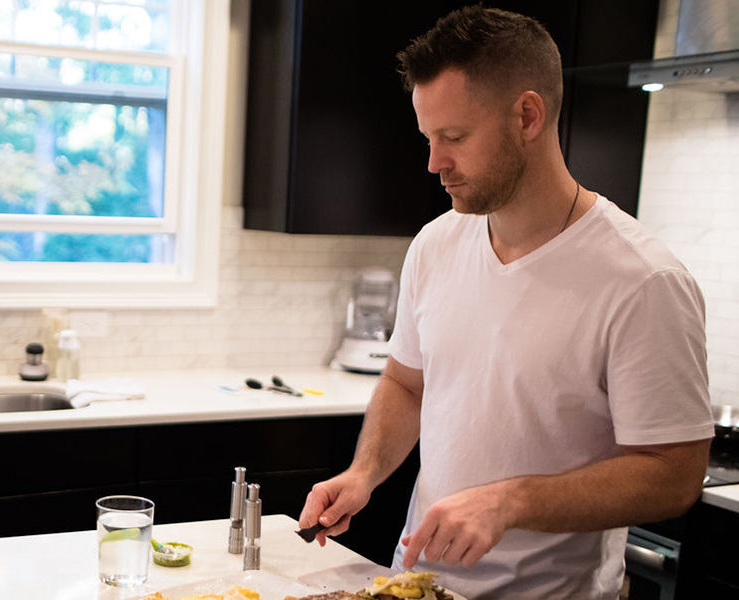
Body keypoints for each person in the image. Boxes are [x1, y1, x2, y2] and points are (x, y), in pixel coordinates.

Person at [299, 5, 713, 599]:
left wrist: (510, 500)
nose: (434, 162)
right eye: (429, 138)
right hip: (416, 584)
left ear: (526, 115)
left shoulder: (642, 281)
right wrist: (365, 473)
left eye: (455, 137)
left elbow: (674, 474)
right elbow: (406, 383)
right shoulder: (437, 243)